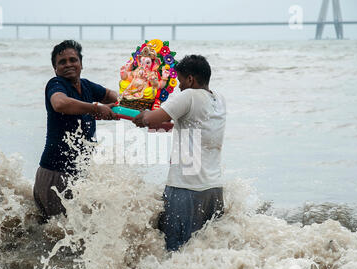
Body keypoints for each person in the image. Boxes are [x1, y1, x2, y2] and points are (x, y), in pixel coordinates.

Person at [132, 54, 226, 251]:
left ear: (190, 79)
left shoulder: (189, 95)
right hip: (214, 189)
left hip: (186, 189)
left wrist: (141, 114)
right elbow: (193, 125)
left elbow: (150, 118)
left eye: (181, 81)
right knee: (205, 253)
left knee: (175, 251)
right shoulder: (218, 99)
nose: (178, 87)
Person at [33, 40, 119, 224]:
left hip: (77, 175)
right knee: (58, 234)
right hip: (55, 174)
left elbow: (113, 95)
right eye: (62, 62)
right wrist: (96, 108)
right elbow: (60, 103)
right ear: (55, 69)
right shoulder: (56, 84)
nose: (68, 64)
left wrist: (128, 106)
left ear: (81, 64)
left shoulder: (86, 86)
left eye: (73, 60)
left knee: (75, 233)